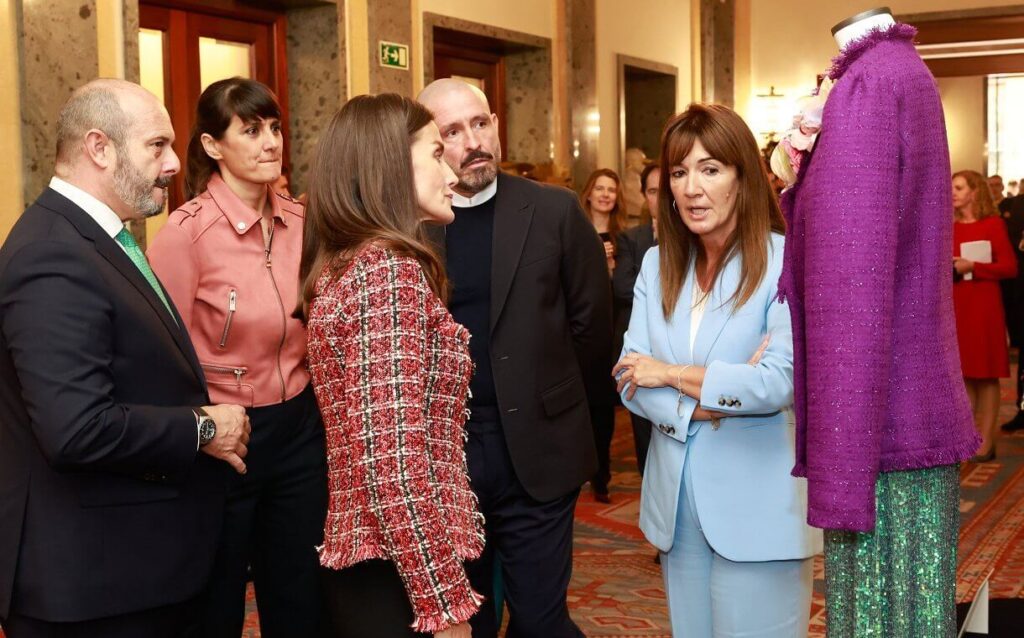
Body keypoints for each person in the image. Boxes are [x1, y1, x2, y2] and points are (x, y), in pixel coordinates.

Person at [0, 79, 250, 637]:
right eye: (156, 146)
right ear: (99, 148)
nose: (171, 165)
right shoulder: (52, 253)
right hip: (95, 587)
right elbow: (75, 428)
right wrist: (202, 427)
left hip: (133, 571)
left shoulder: (96, 238)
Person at [613, 103, 821, 638]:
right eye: (679, 173)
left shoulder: (785, 260)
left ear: (741, 177)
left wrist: (669, 373)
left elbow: (777, 381)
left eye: (710, 169)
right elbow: (629, 375)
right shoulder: (659, 264)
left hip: (759, 506)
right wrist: (704, 399)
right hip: (677, 507)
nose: (691, 188)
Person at [418, 78, 611, 637]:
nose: (472, 141)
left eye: (480, 123)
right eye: (452, 132)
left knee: (541, 620)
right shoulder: (413, 225)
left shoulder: (553, 210)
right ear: (429, 144)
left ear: (497, 124)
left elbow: (591, 330)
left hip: (541, 453)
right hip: (448, 461)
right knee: (462, 621)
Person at [147, 78, 328, 637]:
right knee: (215, 601)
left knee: (301, 594)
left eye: (274, 128)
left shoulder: (303, 220)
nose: (271, 142)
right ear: (211, 146)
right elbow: (160, 356)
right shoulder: (186, 235)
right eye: (250, 130)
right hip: (227, 438)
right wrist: (198, 431)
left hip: (299, 426)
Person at [298, 93, 482, 638]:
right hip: (401, 571)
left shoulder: (350, 262)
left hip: (381, 561)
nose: (452, 170)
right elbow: (394, 463)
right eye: (434, 151)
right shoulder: (387, 274)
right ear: (390, 165)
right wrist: (445, 605)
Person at [952, 169, 1017, 462]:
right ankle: (967, 436)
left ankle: (986, 441)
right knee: (964, 373)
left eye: (960, 187)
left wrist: (974, 268)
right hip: (957, 304)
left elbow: (1009, 267)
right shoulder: (949, 227)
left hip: (985, 305)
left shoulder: (992, 226)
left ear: (975, 192)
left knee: (986, 375)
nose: (953, 192)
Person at [580, 168, 625, 502]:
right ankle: (579, 469)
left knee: (603, 411)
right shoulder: (575, 230)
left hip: (612, 336)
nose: (606, 194)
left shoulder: (625, 238)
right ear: (590, 193)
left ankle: (602, 477)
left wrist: (611, 270)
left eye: (612, 189)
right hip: (582, 334)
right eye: (600, 188)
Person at [613, 162, 659, 474]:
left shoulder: (699, 238)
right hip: (642, 348)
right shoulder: (633, 239)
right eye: (653, 191)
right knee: (643, 429)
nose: (661, 196)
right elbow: (623, 287)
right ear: (644, 196)